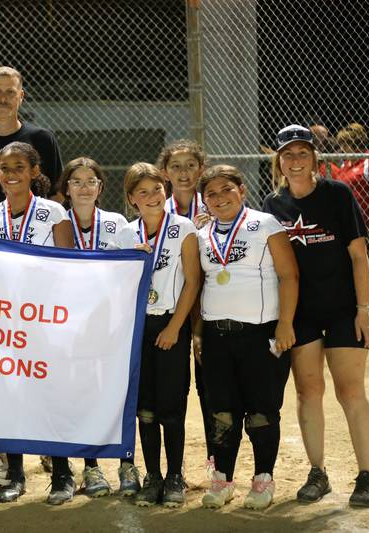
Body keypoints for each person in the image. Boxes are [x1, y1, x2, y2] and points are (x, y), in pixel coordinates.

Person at [263, 124, 369, 508]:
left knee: (350, 391)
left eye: (302, 153)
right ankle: (318, 473)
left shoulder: (337, 195)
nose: (295, 161)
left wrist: (363, 310)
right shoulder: (272, 205)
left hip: (343, 309)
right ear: (279, 160)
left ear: (314, 158)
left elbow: (359, 256)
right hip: (301, 314)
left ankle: (367, 475)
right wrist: (284, 320)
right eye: (288, 154)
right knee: (309, 390)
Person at [0, 142, 76, 505]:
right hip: (3, 322)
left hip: (46, 320)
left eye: (19, 166)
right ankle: (15, 474)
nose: (11, 173)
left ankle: (63, 474)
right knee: (11, 395)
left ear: (35, 171)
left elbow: (67, 264)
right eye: (4, 168)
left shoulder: (52, 212)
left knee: (51, 395)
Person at [196, 164, 298, 510]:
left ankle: (263, 480)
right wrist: (198, 334)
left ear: (242, 190)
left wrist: (285, 324)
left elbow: (289, 275)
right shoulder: (203, 234)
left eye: (227, 189)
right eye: (211, 193)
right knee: (222, 411)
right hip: (217, 337)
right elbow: (200, 285)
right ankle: (222, 479)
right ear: (204, 200)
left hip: (260, 335)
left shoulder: (264, 224)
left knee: (261, 410)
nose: (220, 197)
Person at [114, 163, 201, 508]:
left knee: (171, 406)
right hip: (137, 330)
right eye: (143, 192)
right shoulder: (125, 234)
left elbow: (193, 281)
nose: (152, 197)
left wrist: (175, 328)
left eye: (157, 189)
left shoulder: (183, 228)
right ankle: (152, 475)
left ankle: (175, 475)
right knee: (144, 409)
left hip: (170, 325)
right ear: (132, 199)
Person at [57, 157, 142, 498]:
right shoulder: (56, 224)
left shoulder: (118, 224)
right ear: (66, 189)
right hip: (69, 324)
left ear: (100, 187)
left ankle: (125, 461)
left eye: (90, 180)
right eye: (76, 181)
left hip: (111, 324)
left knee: (117, 393)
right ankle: (91, 469)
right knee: (80, 393)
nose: (83, 187)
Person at [156, 139, 216, 481]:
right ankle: (172, 464)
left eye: (190, 166)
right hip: (172, 310)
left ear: (201, 170)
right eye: (176, 166)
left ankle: (213, 455)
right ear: (166, 172)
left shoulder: (216, 205)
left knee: (208, 384)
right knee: (174, 388)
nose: (183, 173)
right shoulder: (156, 208)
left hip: (207, 308)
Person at [0, 66, 63, 202]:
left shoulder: (42, 138)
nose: (3, 99)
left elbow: (57, 193)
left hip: (29, 222)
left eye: (10, 92)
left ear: (21, 96)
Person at [335, 123, 369, 232]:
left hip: (368, 225)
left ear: (355, 143)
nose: (342, 149)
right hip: (349, 224)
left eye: (345, 144)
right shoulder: (345, 164)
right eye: (341, 144)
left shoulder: (368, 162)